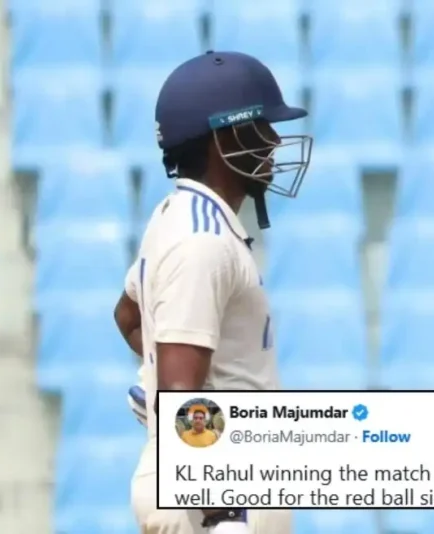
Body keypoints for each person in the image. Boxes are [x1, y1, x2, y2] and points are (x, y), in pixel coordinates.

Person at [112, 50, 311, 534]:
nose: (273, 141)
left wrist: (158, 387)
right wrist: (224, 513)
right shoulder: (202, 241)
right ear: (224, 139)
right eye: (261, 127)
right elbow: (181, 391)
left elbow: (130, 316)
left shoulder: (176, 216)